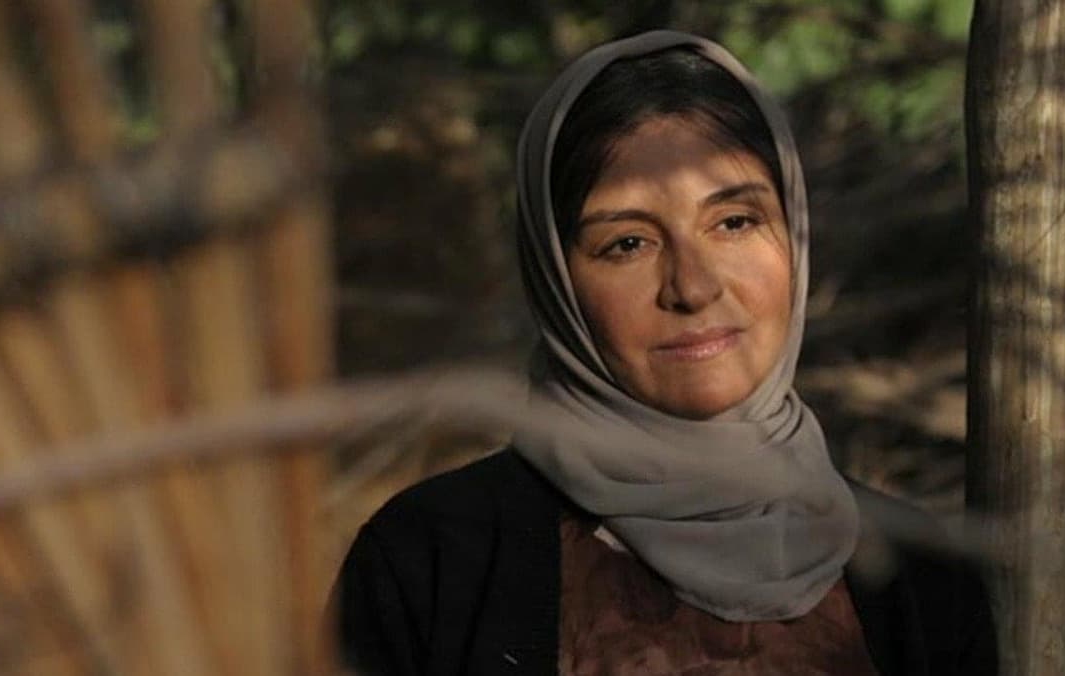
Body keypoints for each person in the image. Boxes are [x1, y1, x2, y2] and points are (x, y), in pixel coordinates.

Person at [331, 30, 996, 675]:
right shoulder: (432, 565)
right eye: (628, 244)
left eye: (734, 222)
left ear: (793, 232)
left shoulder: (921, 581)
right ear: (556, 281)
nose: (693, 287)